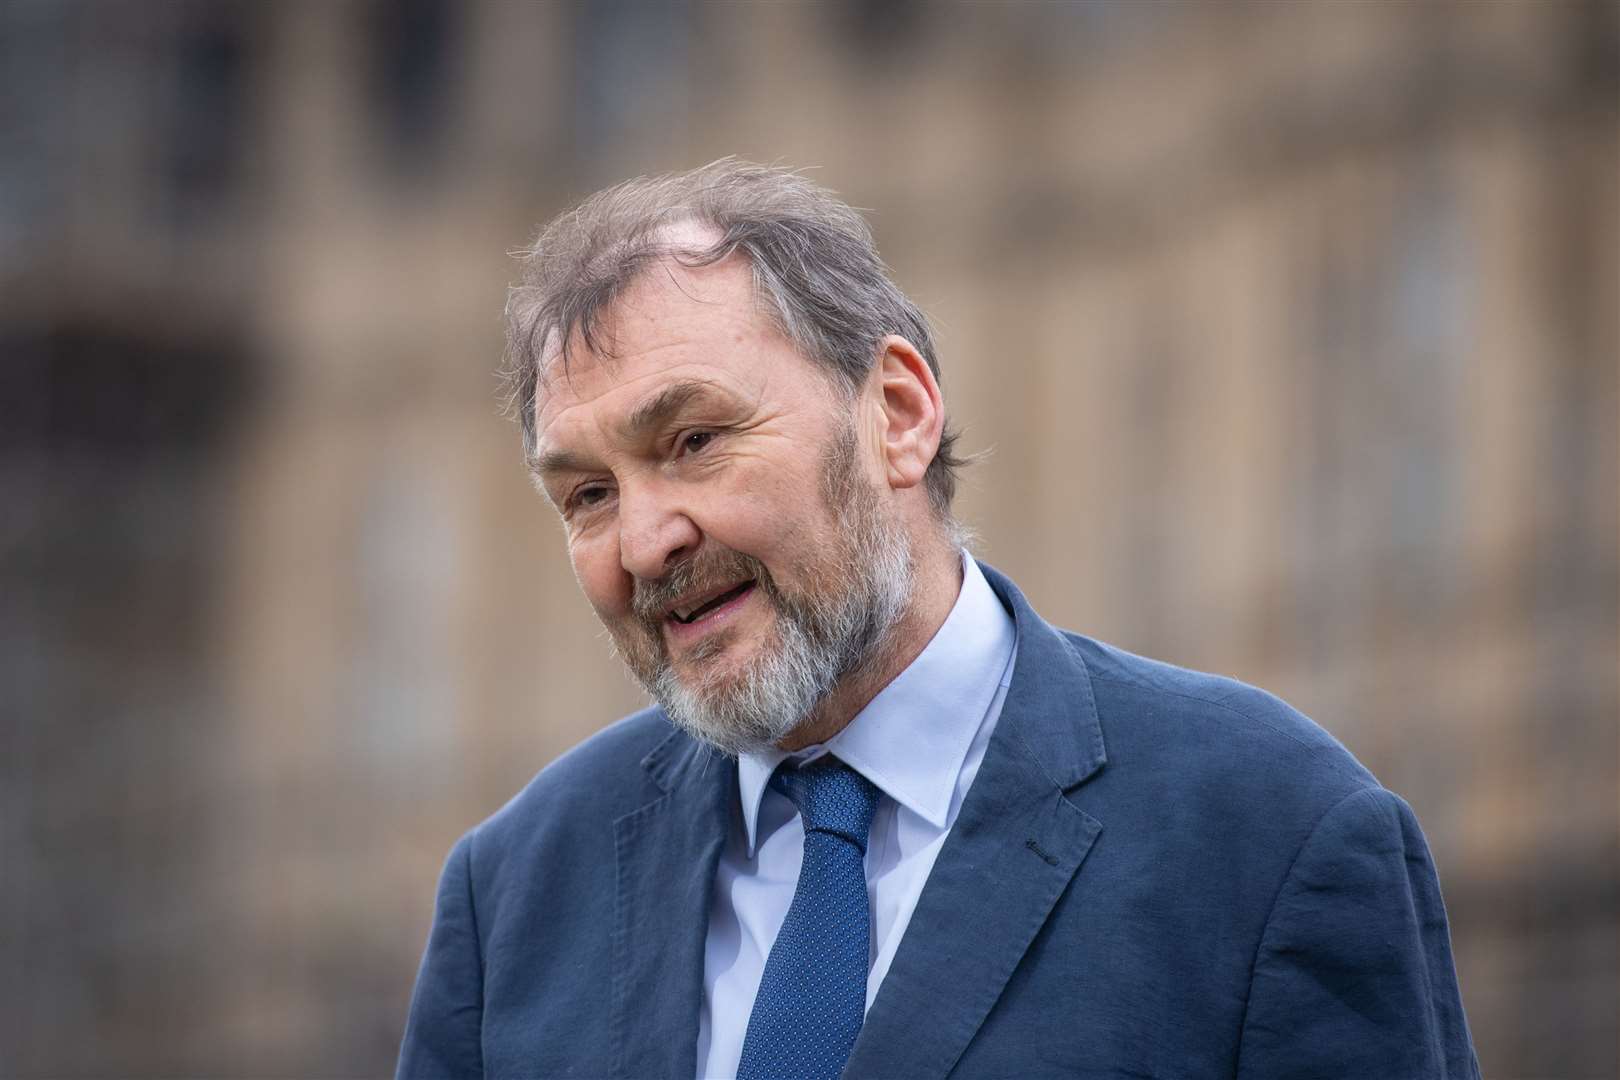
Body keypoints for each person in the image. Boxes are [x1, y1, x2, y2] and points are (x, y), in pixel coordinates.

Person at [397, 160, 1480, 1079]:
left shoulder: (1270, 833)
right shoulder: (516, 897)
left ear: (898, 414)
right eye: (587, 495)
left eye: (693, 441)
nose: (644, 544)